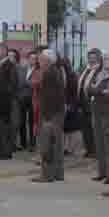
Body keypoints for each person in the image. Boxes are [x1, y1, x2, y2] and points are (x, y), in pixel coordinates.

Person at [32, 50, 66, 183]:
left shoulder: (49, 73)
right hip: (55, 113)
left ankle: (47, 174)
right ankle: (57, 173)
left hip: (50, 115)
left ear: (48, 61)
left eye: (41, 60)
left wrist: (46, 117)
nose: (39, 62)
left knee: (47, 145)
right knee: (56, 144)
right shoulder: (55, 71)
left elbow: (50, 98)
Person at [87, 54, 109, 183]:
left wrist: (98, 90)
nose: (107, 62)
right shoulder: (99, 74)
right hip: (96, 112)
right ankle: (101, 172)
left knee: (108, 145)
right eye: (105, 59)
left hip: (108, 113)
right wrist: (99, 91)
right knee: (98, 144)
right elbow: (89, 88)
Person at [0, 43, 19, 160]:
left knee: (5, 127)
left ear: (4, 51)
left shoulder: (10, 66)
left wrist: (2, 93)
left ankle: (6, 152)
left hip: (5, 101)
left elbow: (12, 84)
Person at [77, 49, 102, 158]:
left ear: (98, 58)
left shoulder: (99, 70)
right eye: (90, 57)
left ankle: (96, 150)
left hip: (92, 103)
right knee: (85, 128)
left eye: (94, 57)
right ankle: (89, 149)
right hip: (83, 103)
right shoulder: (85, 69)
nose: (91, 60)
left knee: (94, 128)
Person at [16, 51, 38, 150]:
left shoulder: (38, 70)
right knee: (21, 121)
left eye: (35, 58)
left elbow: (36, 84)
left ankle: (32, 143)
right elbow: (19, 83)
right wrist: (27, 83)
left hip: (33, 99)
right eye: (31, 58)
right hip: (22, 98)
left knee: (32, 122)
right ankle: (23, 142)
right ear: (28, 59)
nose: (33, 60)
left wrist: (28, 82)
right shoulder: (22, 69)